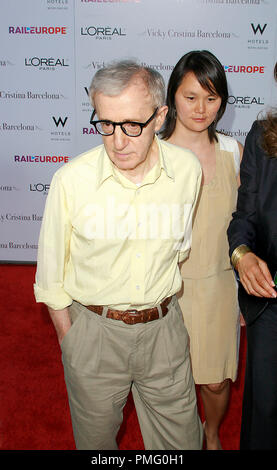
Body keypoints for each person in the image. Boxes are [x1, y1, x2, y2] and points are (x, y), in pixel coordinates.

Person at [34, 59, 204, 450]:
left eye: (131, 125)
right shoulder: (70, 181)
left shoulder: (187, 171)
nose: (118, 141)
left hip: (165, 333)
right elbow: (50, 277)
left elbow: (178, 251)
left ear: (160, 117)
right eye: (106, 125)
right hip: (94, 334)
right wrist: (72, 340)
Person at [161, 50, 243, 450]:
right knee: (168, 384)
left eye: (211, 98)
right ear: (173, 96)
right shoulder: (151, 154)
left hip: (218, 285)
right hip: (163, 288)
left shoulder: (233, 151)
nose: (201, 108)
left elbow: (247, 224)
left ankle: (210, 433)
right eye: (190, 96)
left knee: (215, 379)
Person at [227, 63, 277, 450]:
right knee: (265, 409)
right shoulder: (263, 138)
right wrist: (242, 255)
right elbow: (243, 217)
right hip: (270, 299)